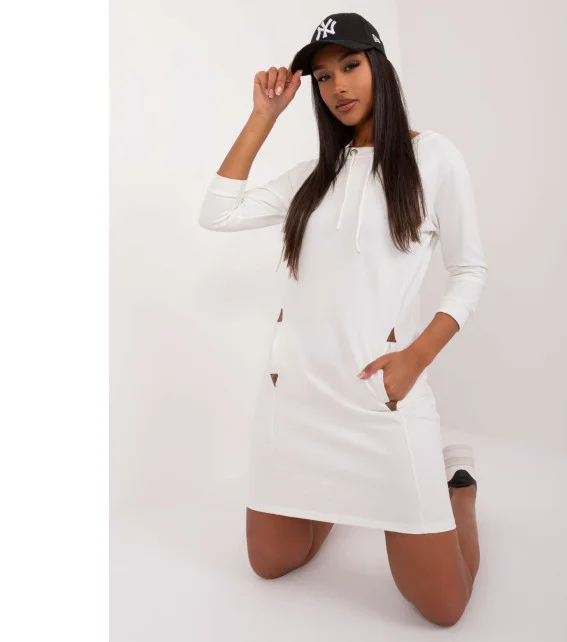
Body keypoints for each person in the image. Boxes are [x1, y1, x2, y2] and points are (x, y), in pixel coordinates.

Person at [199, 12, 487, 627]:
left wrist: (415, 358)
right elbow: (217, 212)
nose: (338, 87)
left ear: (379, 66)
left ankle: (456, 489)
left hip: (380, 399)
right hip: (296, 402)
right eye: (324, 77)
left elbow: (469, 271)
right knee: (270, 562)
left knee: (444, 608)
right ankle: (339, 496)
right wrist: (264, 116)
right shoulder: (314, 177)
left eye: (350, 66)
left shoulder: (433, 157)